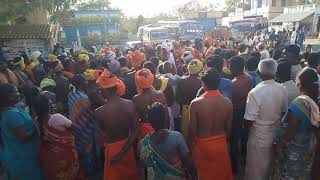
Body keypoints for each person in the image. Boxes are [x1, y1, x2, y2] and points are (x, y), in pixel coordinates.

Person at [244, 59, 288, 180]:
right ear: (275, 72)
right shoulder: (282, 89)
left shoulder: (255, 92)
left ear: (259, 72)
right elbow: (284, 111)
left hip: (258, 136)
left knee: (255, 170)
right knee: (269, 168)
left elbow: (249, 120)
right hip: (275, 134)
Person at [273, 68, 319, 179]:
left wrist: (279, 145)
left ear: (300, 84)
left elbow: (289, 134)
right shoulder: (316, 101)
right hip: (309, 148)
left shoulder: (298, 105)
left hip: (294, 152)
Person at [189, 69, 233, 180]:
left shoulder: (196, 103)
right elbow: (229, 130)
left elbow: (192, 131)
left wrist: (190, 150)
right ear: (218, 83)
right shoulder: (227, 102)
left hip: (202, 146)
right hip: (220, 145)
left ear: (203, 84)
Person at [95, 69, 139, 180]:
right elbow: (136, 130)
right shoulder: (130, 104)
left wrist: (119, 154)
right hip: (127, 147)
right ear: (116, 88)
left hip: (112, 150)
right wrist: (124, 151)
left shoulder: (99, 112)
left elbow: (103, 131)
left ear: (104, 91)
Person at [139, 102, 196, 179]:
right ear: (166, 118)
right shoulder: (177, 137)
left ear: (150, 121)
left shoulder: (142, 144)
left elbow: (144, 170)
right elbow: (188, 162)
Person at [0, 84, 43, 180]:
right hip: (23, 156)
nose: (19, 94)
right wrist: (37, 128)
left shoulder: (13, 108)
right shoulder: (11, 115)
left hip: (20, 152)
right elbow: (22, 138)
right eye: (16, 92)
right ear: (9, 97)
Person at [32, 94, 80, 180]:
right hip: (65, 156)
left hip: (50, 157)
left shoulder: (36, 121)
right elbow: (76, 128)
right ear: (49, 105)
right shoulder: (57, 118)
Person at [229, 56, 253, 173]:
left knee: (234, 139)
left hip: (237, 112)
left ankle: (234, 166)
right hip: (247, 111)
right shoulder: (249, 78)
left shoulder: (233, 83)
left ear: (233, 68)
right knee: (245, 137)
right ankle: (245, 159)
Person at [133, 68, 167, 140]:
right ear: (151, 79)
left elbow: (135, 121)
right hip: (161, 128)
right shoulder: (160, 94)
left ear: (138, 81)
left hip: (145, 131)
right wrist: (166, 130)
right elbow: (166, 116)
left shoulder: (136, 99)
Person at [176, 59, 203, 138]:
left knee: (185, 133)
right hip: (199, 109)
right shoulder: (201, 82)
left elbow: (177, 98)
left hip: (185, 108)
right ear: (199, 70)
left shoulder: (181, 80)